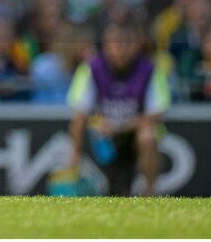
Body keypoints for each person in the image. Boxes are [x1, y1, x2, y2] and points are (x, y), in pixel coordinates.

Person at [66, 21, 170, 196]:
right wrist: (74, 154)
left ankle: (150, 194)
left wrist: (120, 127)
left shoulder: (150, 70)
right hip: (102, 136)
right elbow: (79, 115)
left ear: (136, 45)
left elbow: (156, 114)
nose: (121, 49)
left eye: (126, 43)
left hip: (133, 135)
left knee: (148, 136)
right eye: (116, 43)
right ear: (106, 45)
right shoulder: (91, 69)